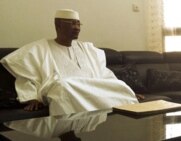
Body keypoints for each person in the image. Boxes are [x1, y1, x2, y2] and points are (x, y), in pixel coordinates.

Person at [0, 9, 138, 140]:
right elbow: (26, 74)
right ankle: (67, 131)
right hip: (64, 88)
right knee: (63, 85)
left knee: (120, 84)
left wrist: (124, 90)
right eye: (72, 23)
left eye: (78, 23)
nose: (77, 27)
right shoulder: (41, 48)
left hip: (94, 87)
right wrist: (32, 97)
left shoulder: (88, 49)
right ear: (58, 25)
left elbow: (104, 74)